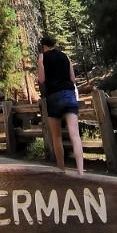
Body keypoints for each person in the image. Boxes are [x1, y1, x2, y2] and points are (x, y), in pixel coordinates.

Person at [37, 35, 84, 175]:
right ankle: (81, 171)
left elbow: (42, 79)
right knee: (74, 134)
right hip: (68, 94)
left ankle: (61, 169)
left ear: (44, 46)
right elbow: (73, 79)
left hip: (53, 97)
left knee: (56, 136)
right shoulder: (65, 56)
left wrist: (41, 64)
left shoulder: (42, 57)